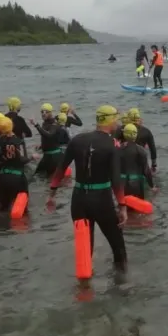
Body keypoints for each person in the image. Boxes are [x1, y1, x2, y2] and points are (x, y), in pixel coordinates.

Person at [52, 105, 128, 274]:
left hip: (78, 199)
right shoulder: (112, 144)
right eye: (116, 118)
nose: (117, 121)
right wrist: (122, 206)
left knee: (85, 247)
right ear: (110, 120)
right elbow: (116, 180)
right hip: (101, 199)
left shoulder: (78, 139)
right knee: (117, 244)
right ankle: (122, 285)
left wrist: (52, 193)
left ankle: (84, 288)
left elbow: (60, 169)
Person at [0, 116, 29, 212]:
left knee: (3, 206)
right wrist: (32, 157)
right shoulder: (19, 141)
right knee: (22, 206)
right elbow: (23, 160)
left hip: (3, 176)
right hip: (17, 176)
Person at [119, 123, 155, 199]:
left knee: (123, 207)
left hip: (122, 185)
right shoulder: (140, 150)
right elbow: (146, 171)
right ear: (136, 135)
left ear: (124, 134)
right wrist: (152, 186)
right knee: (138, 206)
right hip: (136, 184)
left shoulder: (118, 149)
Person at [31, 103, 68, 176]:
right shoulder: (45, 123)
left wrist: (36, 125)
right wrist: (42, 145)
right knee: (36, 175)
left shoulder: (54, 124)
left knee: (48, 177)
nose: (43, 114)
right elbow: (48, 138)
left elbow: (50, 135)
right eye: (42, 112)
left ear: (51, 113)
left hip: (54, 157)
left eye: (46, 112)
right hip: (47, 156)